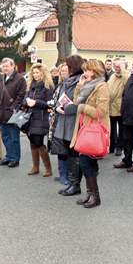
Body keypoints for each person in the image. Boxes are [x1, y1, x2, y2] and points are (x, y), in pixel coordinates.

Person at [69, 59, 110, 208]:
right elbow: (75, 102)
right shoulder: (87, 85)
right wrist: (79, 86)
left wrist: (83, 107)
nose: (84, 72)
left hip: (94, 130)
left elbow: (101, 111)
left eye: (87, 70)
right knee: (86, 162)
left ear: (94, 71)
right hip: (83, 128)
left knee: (87, 163)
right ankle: (90, 194)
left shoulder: (102, 86)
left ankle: (95, 196)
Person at [54, 55, 84, 196]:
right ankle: (71, 183)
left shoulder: (81, 81)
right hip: (63, 120)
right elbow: (59, 97)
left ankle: (75, 184)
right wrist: (57, 106)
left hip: (73, 121)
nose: (65, 67)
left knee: (74, 154)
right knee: (68, 152)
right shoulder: (66, 81)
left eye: (68, 65)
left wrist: (66, 108)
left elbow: (79, 102)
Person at [0, 58, 27, 168]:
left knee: (14, 138)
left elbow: (21, 96)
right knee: (5, 136)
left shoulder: (20, 79)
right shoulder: (0, 78)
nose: (5, 68)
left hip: (13, 113)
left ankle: (15, 158)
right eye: (3, 66)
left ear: (13, 66)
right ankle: (9, 156)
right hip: (1, 113)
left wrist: (14, 107)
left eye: (7, 66)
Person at [24, 63, 54, 177]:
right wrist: (26, 102)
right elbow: (24, 99)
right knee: (32, 142)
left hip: (41, 117)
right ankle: (35, 167)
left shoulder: (48, 87)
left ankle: (48, 168)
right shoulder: (30, 85)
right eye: (34, 73)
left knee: (39, 143)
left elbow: (50, 104)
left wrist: (36, 103)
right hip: (30, 118)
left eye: (37, 72)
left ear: (43, 73)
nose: (35, 75)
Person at [49, 63, 70, 185]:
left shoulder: (72, 85)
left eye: (66, 70)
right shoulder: (59, 85)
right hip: (56, 118)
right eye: (62, 71)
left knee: (65, 149)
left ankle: (66, 175)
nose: (64, 73)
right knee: (58, 148)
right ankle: (62, 173)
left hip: (66, 118)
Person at [107, 59, 129, 157]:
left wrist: (123, 69)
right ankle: (112, 146)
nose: (116, 68)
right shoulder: (112, 76)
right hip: (111, 106)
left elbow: (127, 83)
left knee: (121, 129)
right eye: (115, 66)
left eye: (118, 66)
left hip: (120, 107)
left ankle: (120, 147)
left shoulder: (126, 75)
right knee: (111, 128)